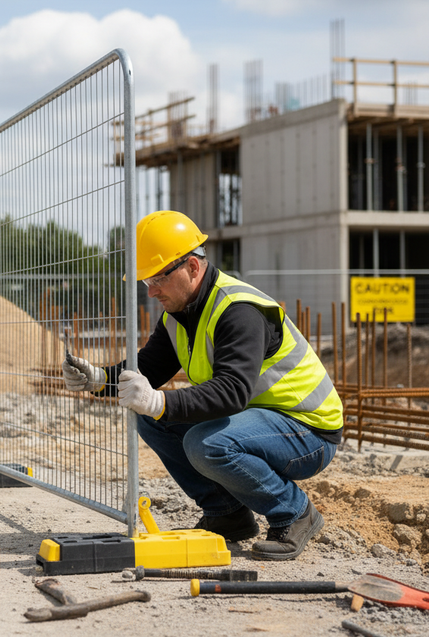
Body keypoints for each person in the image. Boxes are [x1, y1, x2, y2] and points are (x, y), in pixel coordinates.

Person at [62, 211, 343, 561]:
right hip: (258, 421)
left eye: (158, 278)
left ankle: (294, 512)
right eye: (145, 281)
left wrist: (159, 402)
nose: (151, 291)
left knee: (205, 443)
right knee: (147, 416)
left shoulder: (239, 310)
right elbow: (149, 368)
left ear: (193, 267)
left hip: (307, 430)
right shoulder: (180, 313)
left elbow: (231, 391)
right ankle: (228, 514)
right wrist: (100, 379)